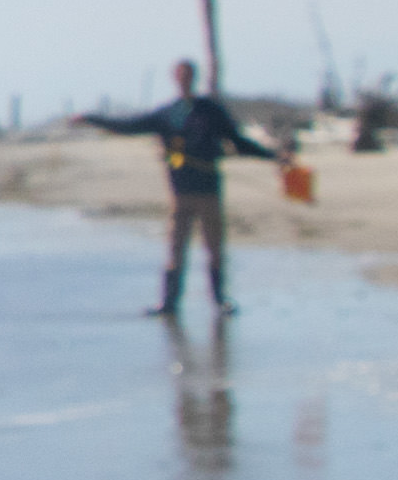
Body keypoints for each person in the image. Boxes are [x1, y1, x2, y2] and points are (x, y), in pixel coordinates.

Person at [83, 58, 284, 316]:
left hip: (209, 190)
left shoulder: (210, 111)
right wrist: (92, 119)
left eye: (188, 75)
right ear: (175, 79)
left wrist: (272, 156)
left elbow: (238, 141)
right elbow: (129, 126)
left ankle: (220, 299)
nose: (184, 80)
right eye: (180, 76)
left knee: (214, 247)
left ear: (194, 78)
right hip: (180, 193)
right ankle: (169, 303)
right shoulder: (166, 113)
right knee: (176, 248)